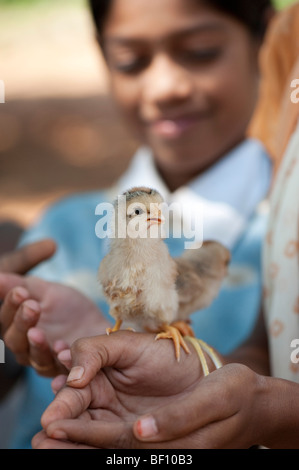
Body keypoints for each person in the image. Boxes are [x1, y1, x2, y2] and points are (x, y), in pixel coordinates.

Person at [0, 0, 274, 448]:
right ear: (102, 54)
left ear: (262, 35)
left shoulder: (285, 238)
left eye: (201, 51)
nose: (165, 86)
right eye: (131, 60)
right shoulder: (62, 229)